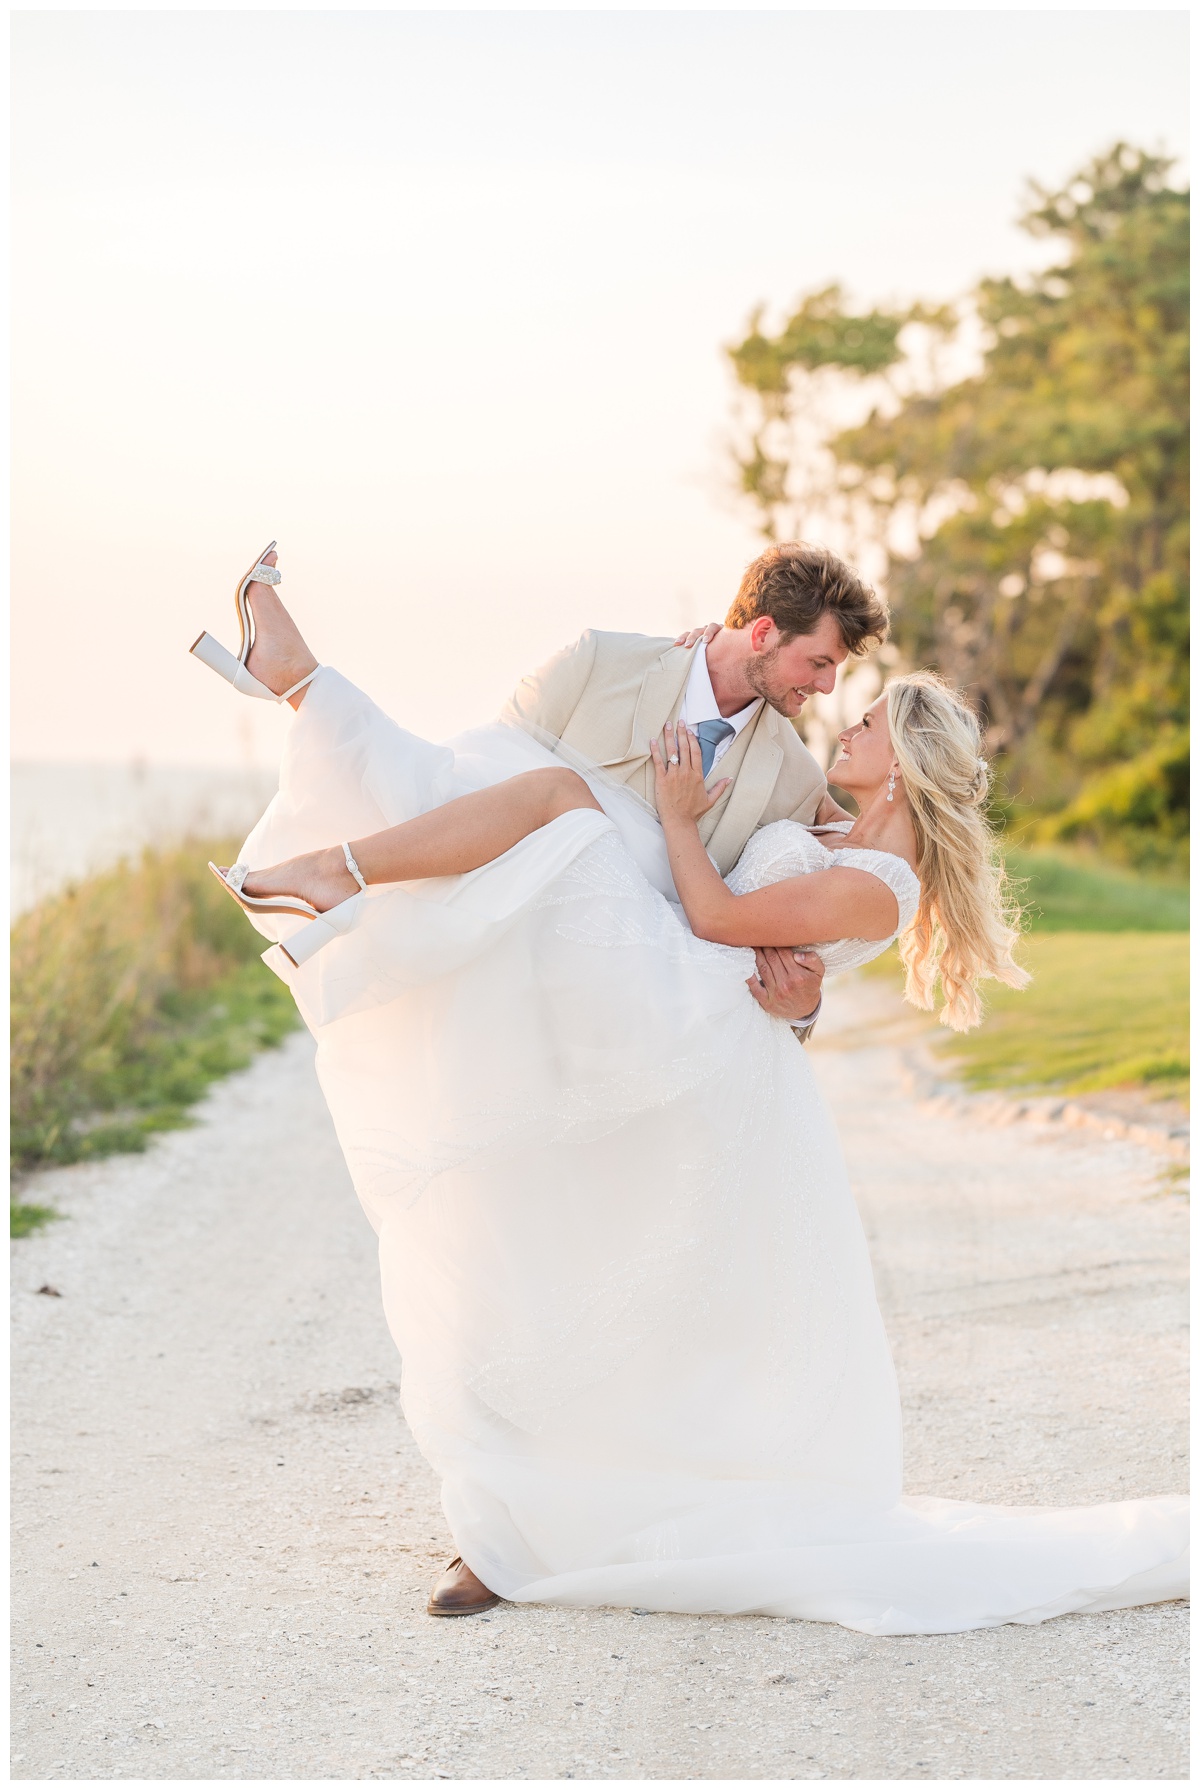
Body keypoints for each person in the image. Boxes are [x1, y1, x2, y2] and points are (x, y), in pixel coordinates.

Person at [190, 544, 1189, 1633]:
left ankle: (322, 810)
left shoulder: (806, 789)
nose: (826, 704)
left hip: (670, 1010)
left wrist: (779, 965)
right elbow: (461, 781)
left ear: (896, 764)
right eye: (817, 670)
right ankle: (311, 734)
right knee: (529, 805)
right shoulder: (603, 669)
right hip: (557, 987)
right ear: (760, 631)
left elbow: (758, 930)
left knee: (565, 814)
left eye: (851, 710)